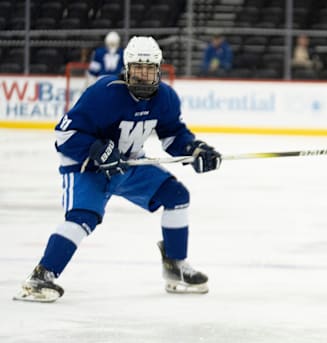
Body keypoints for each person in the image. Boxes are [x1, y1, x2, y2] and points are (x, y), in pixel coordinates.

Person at [13, 36, 222, 303]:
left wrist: (194, 149)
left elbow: (173, 136)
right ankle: (41, 276)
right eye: (138, 68)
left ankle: (175, 267)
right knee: (83, 217)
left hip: (129, 165)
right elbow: (65, 136)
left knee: (177, 196)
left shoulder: (166, 97)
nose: (144, 75)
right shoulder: (104, 92)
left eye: (149, 68)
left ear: (158, 69)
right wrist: (97, 150)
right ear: (127, 68)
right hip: (88, 167)